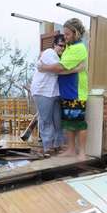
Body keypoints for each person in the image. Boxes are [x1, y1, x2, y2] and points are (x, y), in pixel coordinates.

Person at [38, 18, 89, 160]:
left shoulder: (79, 48)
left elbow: (60, 67)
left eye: (67, 34)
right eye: (64, 34)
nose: (64, 37)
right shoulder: (69, 47)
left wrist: (43, 68)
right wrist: (70, 70)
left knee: (79, 123)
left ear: (76, 33)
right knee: (68, 123)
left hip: (76, 92)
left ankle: (82, 152)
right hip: (66, 92)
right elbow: (63, 67)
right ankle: (71, 150)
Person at [30, 34, 68, 154]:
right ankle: (48, 147)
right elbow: (58, 68)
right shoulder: (49, 53)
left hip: (55, 92)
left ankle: (58, 145)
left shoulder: (60, 56)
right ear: (54, 45)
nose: (62, 48)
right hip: (42, 91)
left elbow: (58, 68)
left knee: (58, 120)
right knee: (46, 120)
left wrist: (44, 67)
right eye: (61, 45)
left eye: (65, 46)